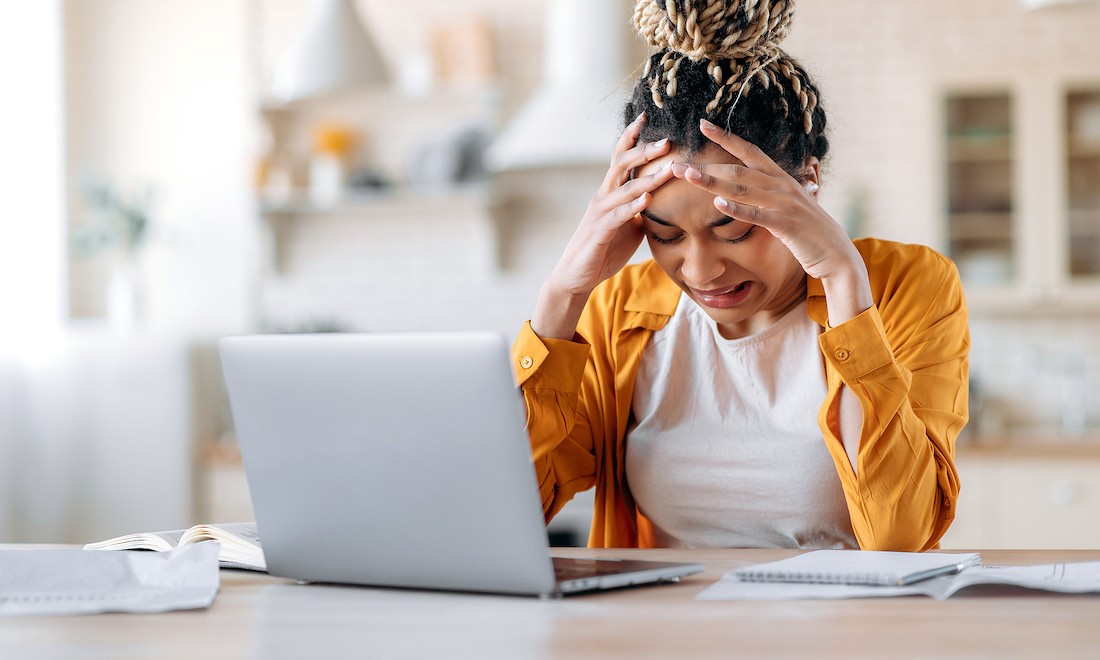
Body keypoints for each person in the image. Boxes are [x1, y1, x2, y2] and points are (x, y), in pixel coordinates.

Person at [511, 0, 968, 551]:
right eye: (665, 235)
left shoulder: (906, 285)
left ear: (807, 185)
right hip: (661, 633)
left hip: (845, 632)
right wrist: (563, 293)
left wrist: (844, 280)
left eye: (734, 230)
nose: (701, 270)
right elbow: (510, 513)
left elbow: (902, 535)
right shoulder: (619, 313)